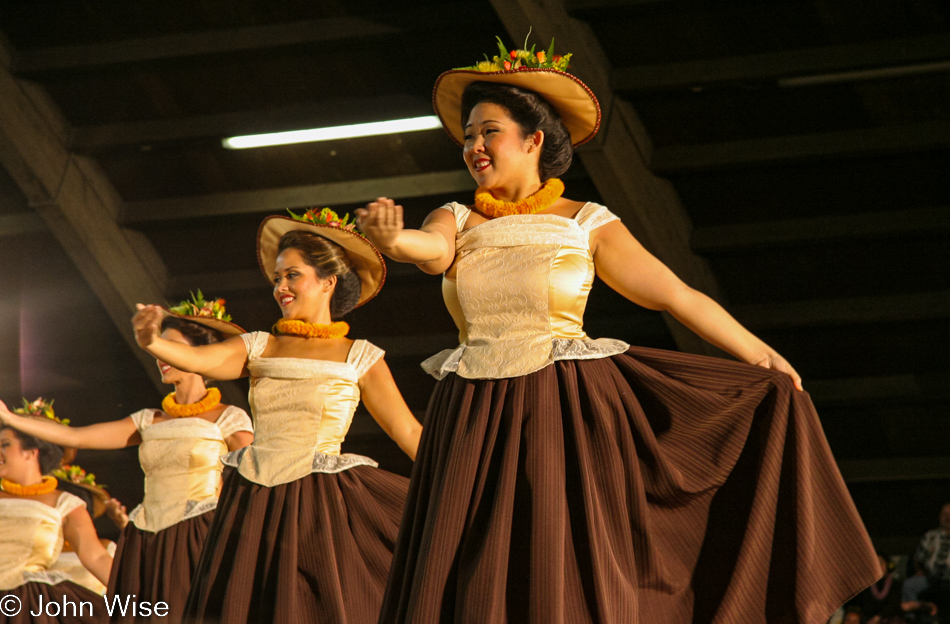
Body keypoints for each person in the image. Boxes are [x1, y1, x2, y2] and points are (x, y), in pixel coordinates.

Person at [356, 39, 881, 623]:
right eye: (468, 136)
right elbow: (428, 252)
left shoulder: (587, 223)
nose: (474, 146)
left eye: (488, 132)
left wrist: (761, 354)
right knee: (467, 558)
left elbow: (676, 295)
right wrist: (392, 241)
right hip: (474, 409)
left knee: (557, 550)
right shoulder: (456, 218)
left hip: (559, 409)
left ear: (533, 140)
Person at [131, 208, 423, 624]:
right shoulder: (259, 346)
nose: (280, 287)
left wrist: (458, 482)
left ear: (327, 282)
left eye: (292, 275)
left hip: (320, 505)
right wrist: (152, 342)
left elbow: (406, 429)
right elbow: (198, 358)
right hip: (253, 500)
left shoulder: (360, 356)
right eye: (277, 279)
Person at [0, 296, 254, 623]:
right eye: (158, 346)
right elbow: (77, 436)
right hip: (149, 536)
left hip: (200, 534)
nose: (161, 355)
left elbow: (249, 483)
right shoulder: (148, 420)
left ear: (197, 356)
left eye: (171, 347)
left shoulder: (228, 418)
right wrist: (13, 419)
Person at [0, 399, 112, 624]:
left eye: (4, 444)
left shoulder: (65, 504)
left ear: (32, 451)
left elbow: (96, 556)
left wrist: (143, 598)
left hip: (28, 607)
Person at [849, 554, 938, 624]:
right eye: (875, 564)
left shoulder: (895, 585)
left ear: (888, 565)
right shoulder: (866, 586)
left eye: (881, 563)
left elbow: (894, 605)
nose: (878, 566)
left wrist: (878, 617)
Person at [915, 503, 950, 619]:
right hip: (931, 578)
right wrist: (919, 571)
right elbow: (919, 557)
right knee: (909, 586)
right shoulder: (931, 536)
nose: (947, 518)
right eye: (944, 514)